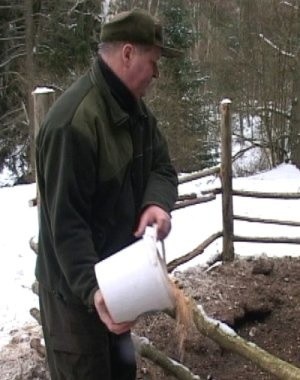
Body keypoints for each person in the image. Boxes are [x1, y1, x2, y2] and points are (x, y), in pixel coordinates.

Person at [35, 8, 181, 380]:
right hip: (75, 297)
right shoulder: (73, 124)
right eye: (154, 61)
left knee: (122, 373)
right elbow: (66, 225)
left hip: (119, 284)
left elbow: (163, 169)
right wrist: (95, 290)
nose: (157, 73)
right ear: (128, 53)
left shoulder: (138, 115)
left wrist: (155, 203)